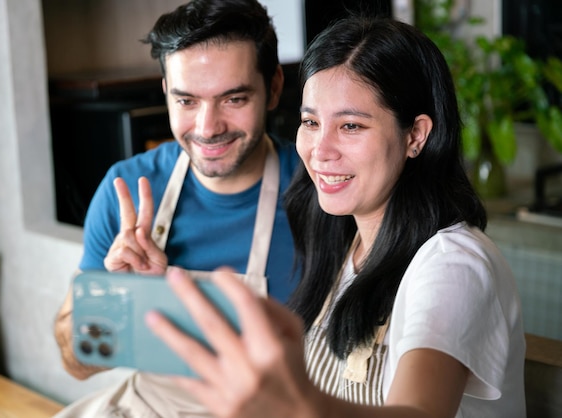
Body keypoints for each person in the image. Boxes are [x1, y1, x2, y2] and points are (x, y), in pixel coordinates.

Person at [146, 15, 527, 418]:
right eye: (310, 122)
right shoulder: (344, 239)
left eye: (350, 126)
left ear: (415, 135)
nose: (320, 149)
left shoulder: (453, 262)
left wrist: (300, 405)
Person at [53, 0, 300, 416]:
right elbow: (74, 363)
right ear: (166, 92)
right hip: (153, 405)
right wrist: (118, 303)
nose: (207, 128)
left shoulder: (320, 194)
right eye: (187, 101)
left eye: (233, 98)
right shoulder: (127, 188)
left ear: (274, 87)